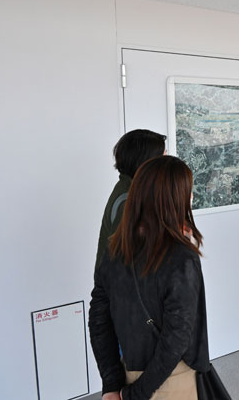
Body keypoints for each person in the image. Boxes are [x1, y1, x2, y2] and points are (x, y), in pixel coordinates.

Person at [89, 156, 209, 400]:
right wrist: (135, 395)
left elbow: (98, 321)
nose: (191, 197)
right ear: (172, 199)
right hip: (171, 380)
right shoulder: (182, 258)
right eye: (187, 191)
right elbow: (177, 338)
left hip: (128, 372)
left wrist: (112, 385)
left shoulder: (114, 250)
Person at [95, 129, 166, 269]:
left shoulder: (133, 189)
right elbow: (123, 263)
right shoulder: (128, 201)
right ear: (146, 162)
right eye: (163, 158)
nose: (167, 163)